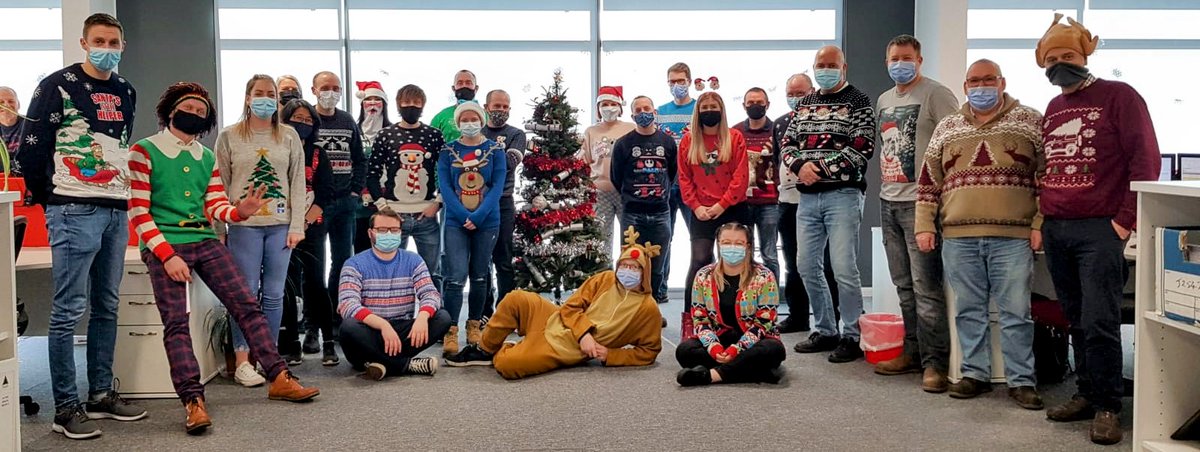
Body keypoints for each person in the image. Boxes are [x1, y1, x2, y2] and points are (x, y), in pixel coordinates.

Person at [127, 82, 319, 435]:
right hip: (166, 244)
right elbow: (138, 212)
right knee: (176, 322)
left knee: (246, 303)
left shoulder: (205, 156)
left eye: (202, 112)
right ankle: (192, 400)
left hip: (203, 239)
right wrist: (166, 255)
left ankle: (278, 375)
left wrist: (238, 211)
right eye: (189, 108)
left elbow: (214, 202)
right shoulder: (144, 151)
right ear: (171, 111)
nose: (194, 115)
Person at [17, 13, 145, 440]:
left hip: (114, 207)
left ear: (122, 46)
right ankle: (65, 407)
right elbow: (31, 149)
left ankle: (101, 394)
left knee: (107, 305)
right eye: (99, 40)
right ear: (83, 42)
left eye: (113, 41)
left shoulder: (126, 89)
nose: (106, 47)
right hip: (72, 208)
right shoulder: (56, 85)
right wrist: (50, 196)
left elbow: (122, 144)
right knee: (68, 309)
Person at [1034, 14, 1160, 445]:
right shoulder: (1052, 108)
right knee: (1073, 318)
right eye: (1051, 58)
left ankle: (1108, 405)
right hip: (1058, 228)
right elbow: (1046, 167)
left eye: (1068, 55)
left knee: (1100, 319)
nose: (1060, 64)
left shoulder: (1119, 96)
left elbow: (1145, 161)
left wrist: (1124, 221)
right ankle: (1087, 392)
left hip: (1100, 229)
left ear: (1085, 54)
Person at [916, 59, 1046, 409]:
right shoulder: (947, 126)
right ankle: (975, 374)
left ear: (1002, 82)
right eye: (974, 81)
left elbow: (1047, 179)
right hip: (959, 236)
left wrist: (1039, 224)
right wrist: (924, 224)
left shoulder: (1030, 121)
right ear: (965, 86)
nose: (981, 86)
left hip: (1013, 236)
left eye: (989, 80)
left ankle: (1022, 380)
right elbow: (929, 181)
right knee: (968, 310)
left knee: (1016, 312)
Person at [447, 226, 663, 379]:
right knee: (515, 298)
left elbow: (649, 351)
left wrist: (611, 355)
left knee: (507, 365)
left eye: (634, 268)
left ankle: (512, 349)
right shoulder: (605, 279)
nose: (627, 272)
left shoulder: (647, 309)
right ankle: (485, 350)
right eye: (624, 266)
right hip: (555, 317)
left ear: (644, 273)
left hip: (562, 348)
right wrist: (584, 333)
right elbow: (571, 307)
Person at [873, 34, 958, 388]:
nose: (899, 63)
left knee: (926, 288)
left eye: (906, 57)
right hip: (888, 201)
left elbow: (955, 142)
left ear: (919, 60)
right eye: (894, 58)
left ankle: (935, 364)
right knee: (903, 286)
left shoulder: (936, 94)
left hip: (921, 204)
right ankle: (912, 352)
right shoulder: (884, 99)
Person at [214, 74, 307, 387]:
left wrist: (297, 226)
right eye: (259, 93)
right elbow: (219, 184)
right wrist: (220, 227)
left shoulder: (289, 136)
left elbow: (297, 183)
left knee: (275, 294)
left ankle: (270, 358)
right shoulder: (229, 136)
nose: (265, 98)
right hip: (243, 227)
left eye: (271, 94)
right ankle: (242, 359)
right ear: (247, 98)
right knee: (245, 294)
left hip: (281, 227)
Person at [785, 45, 876, 363]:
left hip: (843, 196)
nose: (825, 69)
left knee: (843, 268)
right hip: (807, 199)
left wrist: (818, 169)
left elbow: (862, 148)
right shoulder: (806, 102)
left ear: (844, 67)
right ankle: (826, 330)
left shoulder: (859, 101)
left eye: (831, 64)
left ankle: (852, 334)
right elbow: (788, 142)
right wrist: (799, 166)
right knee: (806, 265)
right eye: (820, 64)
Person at [337, 208, 451, 380]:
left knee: (442, 317)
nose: (389, 234)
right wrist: (383, 325)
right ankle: (405, 365)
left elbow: (431, 294)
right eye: (382, 230)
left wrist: (421, 318)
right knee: (349, 327)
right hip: (370, 331)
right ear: (370, 233)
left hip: (400, 331)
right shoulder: (354, 264)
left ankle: (379, 363)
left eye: (394, 230)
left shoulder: (413, 260)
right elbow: (347, 304)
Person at [676, 222, 786, 386]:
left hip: (754, 340)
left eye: (738, 243)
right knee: (684, 351)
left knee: (772, 351)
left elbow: (764, 323)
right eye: (726, 243)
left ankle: (711, 375)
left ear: (748, 246)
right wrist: (714, 348)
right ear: (718, 244)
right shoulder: (703, 275)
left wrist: (737, 349)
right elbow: (700, 319)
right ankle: (753, 372)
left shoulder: (765, 276)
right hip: (719, 338)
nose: (732, 247)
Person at [772, 73, 840, 334]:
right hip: (787, 202)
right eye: (791, 93)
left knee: (824, 262)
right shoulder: (780, 124)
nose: (795, 98)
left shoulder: (827, 122)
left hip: (817, 200)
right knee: (792, 261)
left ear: (812, 91)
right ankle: (798, 315)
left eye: (800, 93)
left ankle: (831, 317)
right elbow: (780, 158)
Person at [438, 100, 506, 356]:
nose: (469, 123)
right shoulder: (447, 151)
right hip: (455, 221)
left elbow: (498, 185)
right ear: (458, 123)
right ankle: (451, 329)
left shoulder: (495, 151)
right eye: (464, 120)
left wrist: (477, 216)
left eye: (474, 119)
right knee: (454, 278)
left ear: (481, 120)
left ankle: (475, 326)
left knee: (480, 275)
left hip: (487, 221)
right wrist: (462, 214)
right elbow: (445, 186)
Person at [307, 70, 366, 361]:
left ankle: (334, 322)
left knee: (343, 263)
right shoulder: (308, 120)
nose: (330, 92)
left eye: (336, 88)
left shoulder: (347, 120)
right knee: (314, 267)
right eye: (325, 87)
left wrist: (355, 191)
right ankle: (311, 327)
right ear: (314, 90)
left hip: (345, 205)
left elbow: (360, 158)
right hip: (316, 204)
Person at [678, 91, 749, 324]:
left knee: (736, 262)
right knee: (699, 260)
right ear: (698, 112)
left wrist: (722, 204)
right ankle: (691, 319)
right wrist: (696, 207)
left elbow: (741, 177)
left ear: (722, 110)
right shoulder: (689, 140)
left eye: (714, 106)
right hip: (701, 210)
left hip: (732, 207)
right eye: (705, 107)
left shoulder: (735, 137)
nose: (709, 110)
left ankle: (737, 316)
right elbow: (684, 177)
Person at [366, 84, 444, 292]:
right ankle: (392, 319)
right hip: (393, 217)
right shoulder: (385, 135)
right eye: (407, 103)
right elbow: (372, 175)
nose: (412, 107)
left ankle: (434, 320)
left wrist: (437, 203)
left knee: (432, 274)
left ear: (423, 105)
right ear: (398, 105)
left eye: (416, 103)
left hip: (426, 216)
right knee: (389, 272)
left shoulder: (433, 135)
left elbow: (446, 173)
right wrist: (383, 207)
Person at [278, 98, 334, 366]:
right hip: (280, 228)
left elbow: (326, 191)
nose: (302, 124)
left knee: (315, 283)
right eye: (297, 119)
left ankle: (329, 343)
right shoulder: (276, 151)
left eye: (307, 120)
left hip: (312, 226)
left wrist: (305, 223)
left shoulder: (317, 153)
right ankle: (291, 344)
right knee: (286, 285)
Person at [612, 95, 677, 306]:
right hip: (632, 213)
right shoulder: (623, 144)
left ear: (655, 112)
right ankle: (629, 309)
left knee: (657, 266)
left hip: (661, 212)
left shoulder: (667, 142)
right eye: (638, 110)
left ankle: (653, 308)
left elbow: (673, 173)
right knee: (630, 263)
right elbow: (616, 177)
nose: (643, 113)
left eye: (646, 108)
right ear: (632, 115)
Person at [481, 89, 526, 318]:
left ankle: (505, 312)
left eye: (505, 107)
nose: (501, 110)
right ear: (486, 106)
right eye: (497, 106)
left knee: (503, 259)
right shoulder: (476, 131)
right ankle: (485, 311)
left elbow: (509, 163)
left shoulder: (517, 134)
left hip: (503, 202)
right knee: (481, 261)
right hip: (476, 204)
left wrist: (479, 160)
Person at [732, 87, 781, 288]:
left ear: (767, 104)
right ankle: (744, 297)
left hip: (770, 202)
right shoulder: (735, 132)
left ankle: (771, 300)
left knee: (769, 254)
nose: (755, 106)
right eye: (750, 103)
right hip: (742, 202)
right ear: (744, 106)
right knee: (743, 254)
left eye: (759, 102)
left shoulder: (777, 130)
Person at [581, 85, 636, 257]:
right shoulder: (591, 131)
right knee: (601, 240)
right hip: (599, 192)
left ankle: (629, 278)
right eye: (603, 104)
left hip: (625, 192)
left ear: (619, 106)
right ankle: (604, 277)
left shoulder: (630, 128)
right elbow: (585, 160)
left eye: (612, 103)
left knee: (630, 239)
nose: (608, 108)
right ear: (598, 108)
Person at [658, 62, 697, 299]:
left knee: (699, 239)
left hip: (692, 184)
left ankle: (699, 291)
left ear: (689, 82)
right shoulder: (660, 111)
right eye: (672, 81)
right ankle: (660, 289)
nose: (676, 85)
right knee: (664, 238)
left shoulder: (700, 108)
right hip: (665, 184)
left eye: (680, 81)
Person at [354, 80, 392, 253]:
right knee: (361, 247)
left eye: (378, 100)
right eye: (369, 100)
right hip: (359, 203)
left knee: (386, 247)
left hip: (387, 200)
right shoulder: (353, 130)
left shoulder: (393, 132)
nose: (373, 104)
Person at [430, 69, 478, 143]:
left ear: (476, 88)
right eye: (460, 83)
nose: (464, 86)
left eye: (468, 83)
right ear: (453, 88)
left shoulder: (486, 116)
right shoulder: (440, 117)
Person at [1, 86, 24, 173]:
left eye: (11, 101)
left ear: (18, 104)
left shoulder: (32, 126)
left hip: (28, 179)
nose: (6, 105)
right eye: (1, 102)